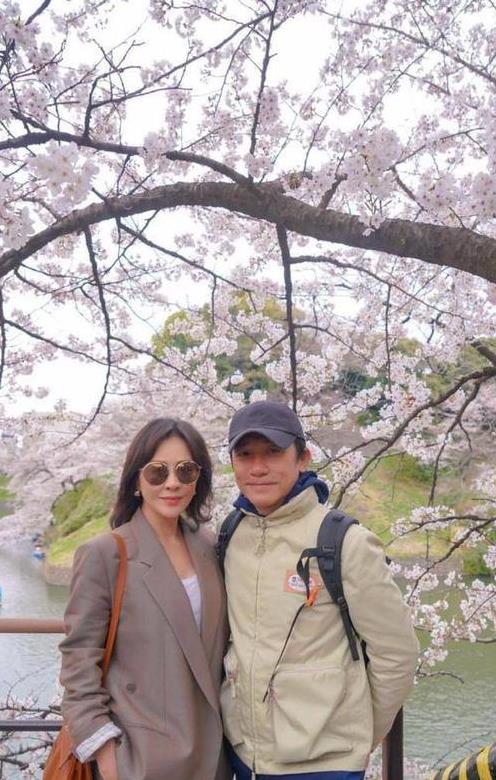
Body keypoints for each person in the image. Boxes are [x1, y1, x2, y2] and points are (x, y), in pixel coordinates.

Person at [220, 400, 419, 780]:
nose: (258, 467)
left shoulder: (345, 542)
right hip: (245, 755)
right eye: (245, 455)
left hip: (324, 764)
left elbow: (397, 654)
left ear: (303, 458)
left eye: (273, 452)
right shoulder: (232, 534)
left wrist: (358, 737)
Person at [59, 418, 230, 780]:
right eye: (157, 472)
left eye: (185, 471)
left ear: (198, 479)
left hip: (214, 756)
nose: (172, 483)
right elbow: (79, 658)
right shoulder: (106, 554)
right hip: (139, 759)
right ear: (136, 479)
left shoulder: (211, 547)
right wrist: (105, 751)